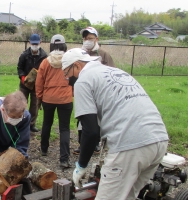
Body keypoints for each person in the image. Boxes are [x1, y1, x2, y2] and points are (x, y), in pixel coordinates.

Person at [61, 48, 169, 200]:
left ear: (76, 65)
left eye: (67, 74)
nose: (68, 80)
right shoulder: (115, 71)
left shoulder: (84, 80)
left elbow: (90, 131)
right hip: (158, 139)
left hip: (130, 145)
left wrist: (81, 166)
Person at [74, 27, 115, 155]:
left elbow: (112, 72)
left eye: (90, 38)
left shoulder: (103, 54)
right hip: (84, 90)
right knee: (83, 118)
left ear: (96, 39)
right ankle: (82, 144)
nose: (87, 41)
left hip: (100, 92)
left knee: (98, 118)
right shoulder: (80, 54)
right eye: (85, 38)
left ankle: (96, 143)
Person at [35, 34, 73, 168]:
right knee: (64, 128)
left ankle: (44, 149)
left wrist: (39, 97)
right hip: (65, 98)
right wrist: (71, 93)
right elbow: (75, 79)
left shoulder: (45, 62)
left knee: (47, 123)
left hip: (48, 98)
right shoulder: (70, 61)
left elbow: (39, 82)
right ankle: (64, 159)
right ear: (64, 46)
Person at [17, 33, 48, 132]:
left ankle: (31, 124)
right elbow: (20, 68)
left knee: (35, 105)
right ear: (29, 43)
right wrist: (23, 78)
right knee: (22, 103)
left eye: (36, 44)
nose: (35, 45)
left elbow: (45, 70)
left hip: (37, 84)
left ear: (40, 43)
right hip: (24, 84)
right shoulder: (24, 55)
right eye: (33, 44)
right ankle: (20, 122)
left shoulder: (44, 56)